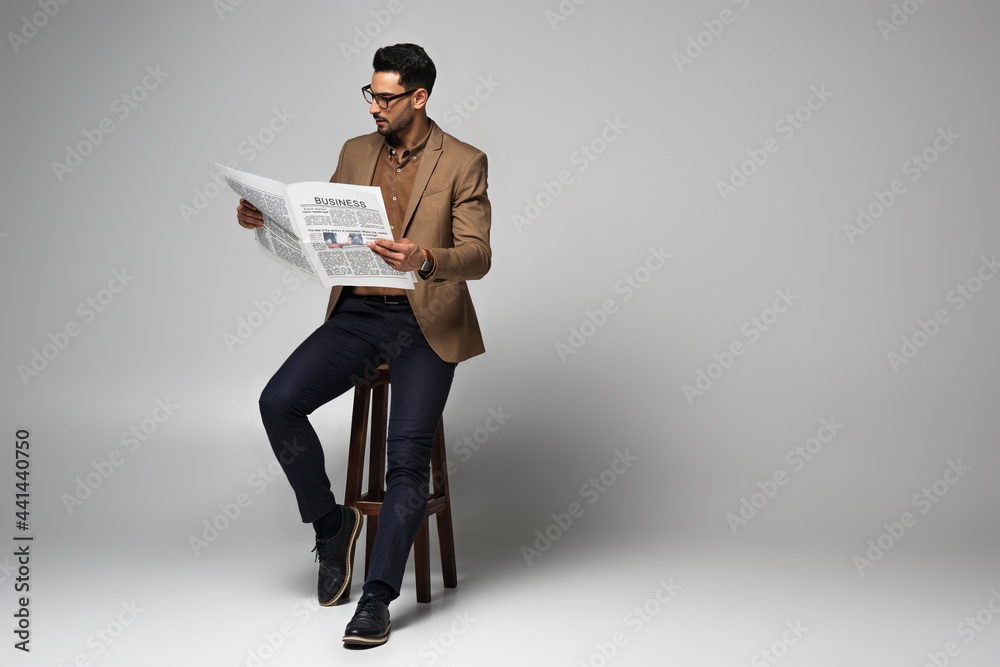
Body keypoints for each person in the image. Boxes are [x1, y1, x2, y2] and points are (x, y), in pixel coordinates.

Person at [235, 43, 491, 647]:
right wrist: (267, 220)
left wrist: (425, 257)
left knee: (404, 461)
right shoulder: (356, 151)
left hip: (423, 318)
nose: (374, 106)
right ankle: (331, 525)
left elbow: (478, 257)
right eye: (370, 94)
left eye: (385, 96)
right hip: (357, 313)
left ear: (419, 97)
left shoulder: (465, 161)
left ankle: (376, 599)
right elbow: (322, 224)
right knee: (278, 403)